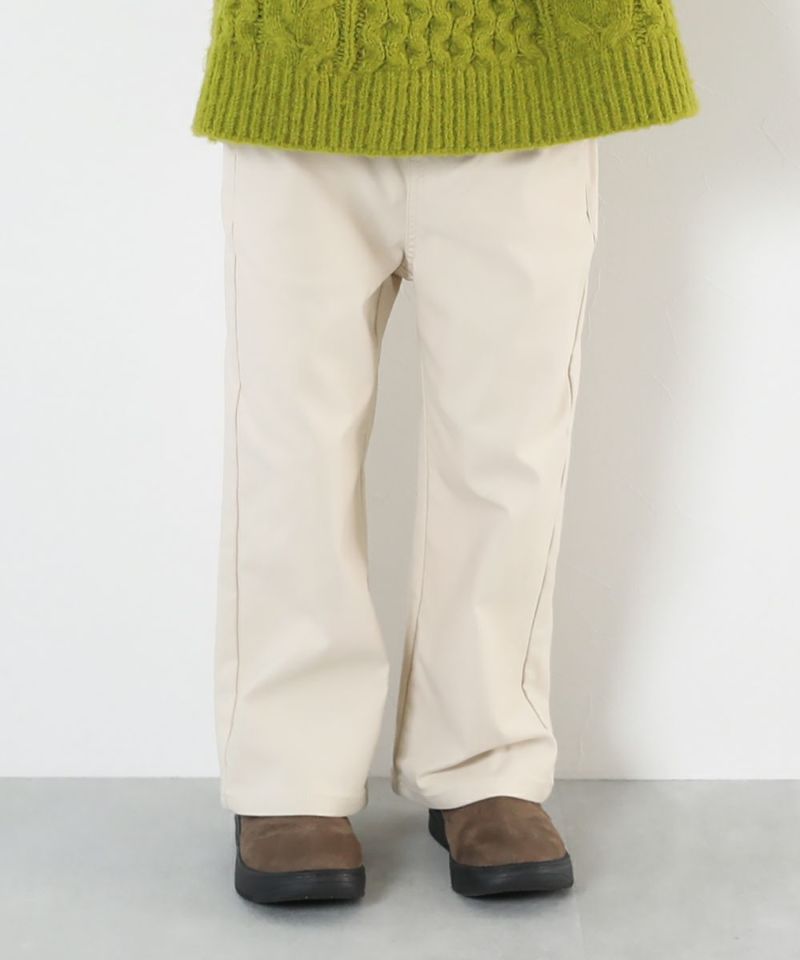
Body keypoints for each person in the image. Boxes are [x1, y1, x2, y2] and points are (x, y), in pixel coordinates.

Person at [191, 0, 699, 904]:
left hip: (532, 77)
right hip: (300, 72)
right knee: (291, 453)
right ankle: (289, 777)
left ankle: (485, 761)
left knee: (507, 453)